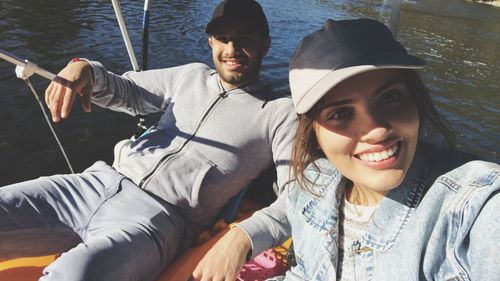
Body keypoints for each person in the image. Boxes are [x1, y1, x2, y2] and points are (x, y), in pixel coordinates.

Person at [0, 0, 297, 280]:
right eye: (222, 37)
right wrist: (86, 67)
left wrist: (244, 236)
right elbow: (127, 91)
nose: (231, 48)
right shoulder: (190, 76)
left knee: (73, 276)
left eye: (244, 38)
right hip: (94, 184)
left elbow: (296, 198)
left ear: (265, 44)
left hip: (157, 221)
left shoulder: (279, 113)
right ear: (211, 42)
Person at [197, 18, 500, 280]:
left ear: (415, 100)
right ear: (313, 132)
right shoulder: (317, 179)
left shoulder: (472, 208)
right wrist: (241, 235)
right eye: (340, 114)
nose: (377, 130)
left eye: (391, 98)